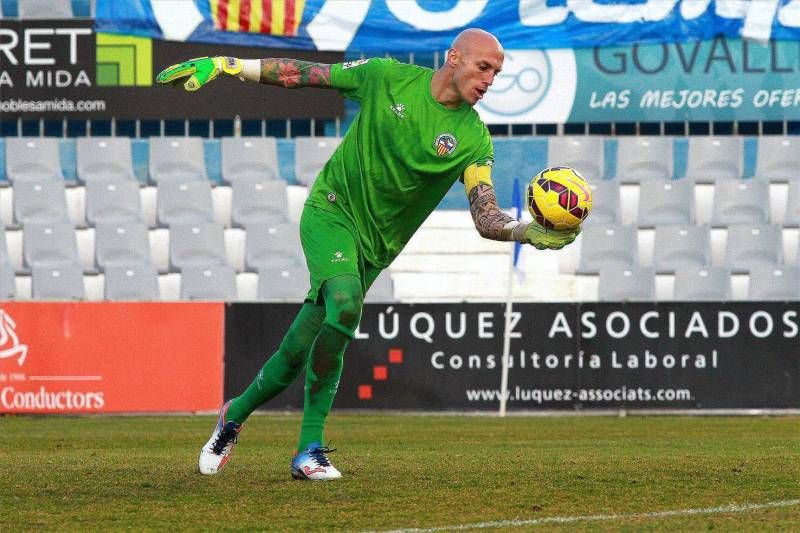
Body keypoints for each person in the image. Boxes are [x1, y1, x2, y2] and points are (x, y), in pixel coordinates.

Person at [156, 28, 579, 481]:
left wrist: (525, 232)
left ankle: (232, 417)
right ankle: (308, 451)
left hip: (374, 249)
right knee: (344, 303)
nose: (490, 79)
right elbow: (303, 74)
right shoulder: (385, 77)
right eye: (483, 67)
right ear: (454, 58)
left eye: (496, 73)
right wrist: (225, 65)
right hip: (330, 212)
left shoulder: (474, 140)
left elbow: (486, 216)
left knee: (296, 350)